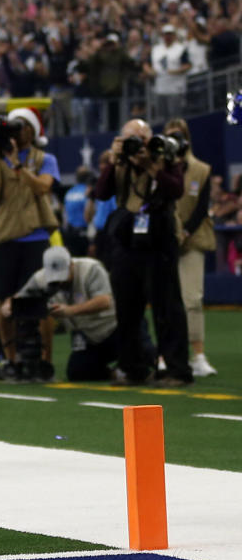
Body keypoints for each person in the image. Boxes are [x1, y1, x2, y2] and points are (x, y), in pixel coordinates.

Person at [93, 118, 191, 386]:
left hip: (159, 241)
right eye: (131, 140)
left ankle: (176, 368)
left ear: (151, 138)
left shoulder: (165, 155)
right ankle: (132, 367)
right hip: (127, 243)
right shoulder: (119, 163)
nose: (138, 146)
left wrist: (151, 166)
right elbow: (101, 193)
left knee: (167, 307)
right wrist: (114, 160)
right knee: (126, 309)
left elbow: (176, 189)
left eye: (142, 138)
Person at [0, 107, 60, 377]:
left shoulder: (44, 158)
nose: (18, 131)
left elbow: (43, 187)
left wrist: (17, 165)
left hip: (36, 236)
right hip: (4, 237)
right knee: (4, 300)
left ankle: (45, 358)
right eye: (14, 127)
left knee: (41, 301)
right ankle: (12, 360)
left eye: (23, 126)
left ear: (33, 130)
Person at [2, 246, 118, 381]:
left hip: (115, 328)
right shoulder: (41, 278)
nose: (60, 282)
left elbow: (104, 301)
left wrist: (69, 311)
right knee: (77, 372)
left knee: (141, 356)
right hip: (87, 337)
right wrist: (8, 307)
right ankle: (113, 373)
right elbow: (18, 298)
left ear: (71, 265)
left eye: (62, 276)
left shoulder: (91, 269)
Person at [163, 118, 217, 377]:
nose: (176, 140)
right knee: (165, 299)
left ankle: (198, 355)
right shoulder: (159, 169)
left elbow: (202, 207)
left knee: (192, 298)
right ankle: (166, 354)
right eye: (170, 136)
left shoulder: (202, 169)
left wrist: (185, 232)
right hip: (164, 239)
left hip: (192, 238)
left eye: (179, 135)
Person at [145, 24, 191, 124]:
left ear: (174, 35)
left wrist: (176, 71)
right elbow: (146, 64)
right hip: (160, 88)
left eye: (170, 34)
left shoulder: (180, 48)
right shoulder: (156, 49)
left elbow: (187, 65)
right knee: (161, 117)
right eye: (166, 34)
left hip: (175, 88)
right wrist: (150, 71)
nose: (168, 37)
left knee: (175, 116)